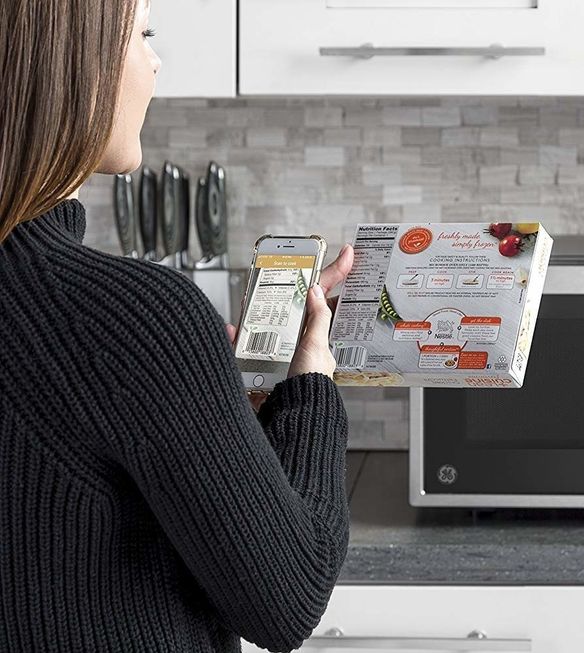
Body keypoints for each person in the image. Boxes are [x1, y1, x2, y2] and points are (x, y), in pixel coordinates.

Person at [0, 1, 354, 651]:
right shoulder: (141, 319)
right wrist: (311, 387)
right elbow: (290, 599)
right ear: (76, 67)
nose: (155, 61)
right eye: (143, 34)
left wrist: (209, 408)